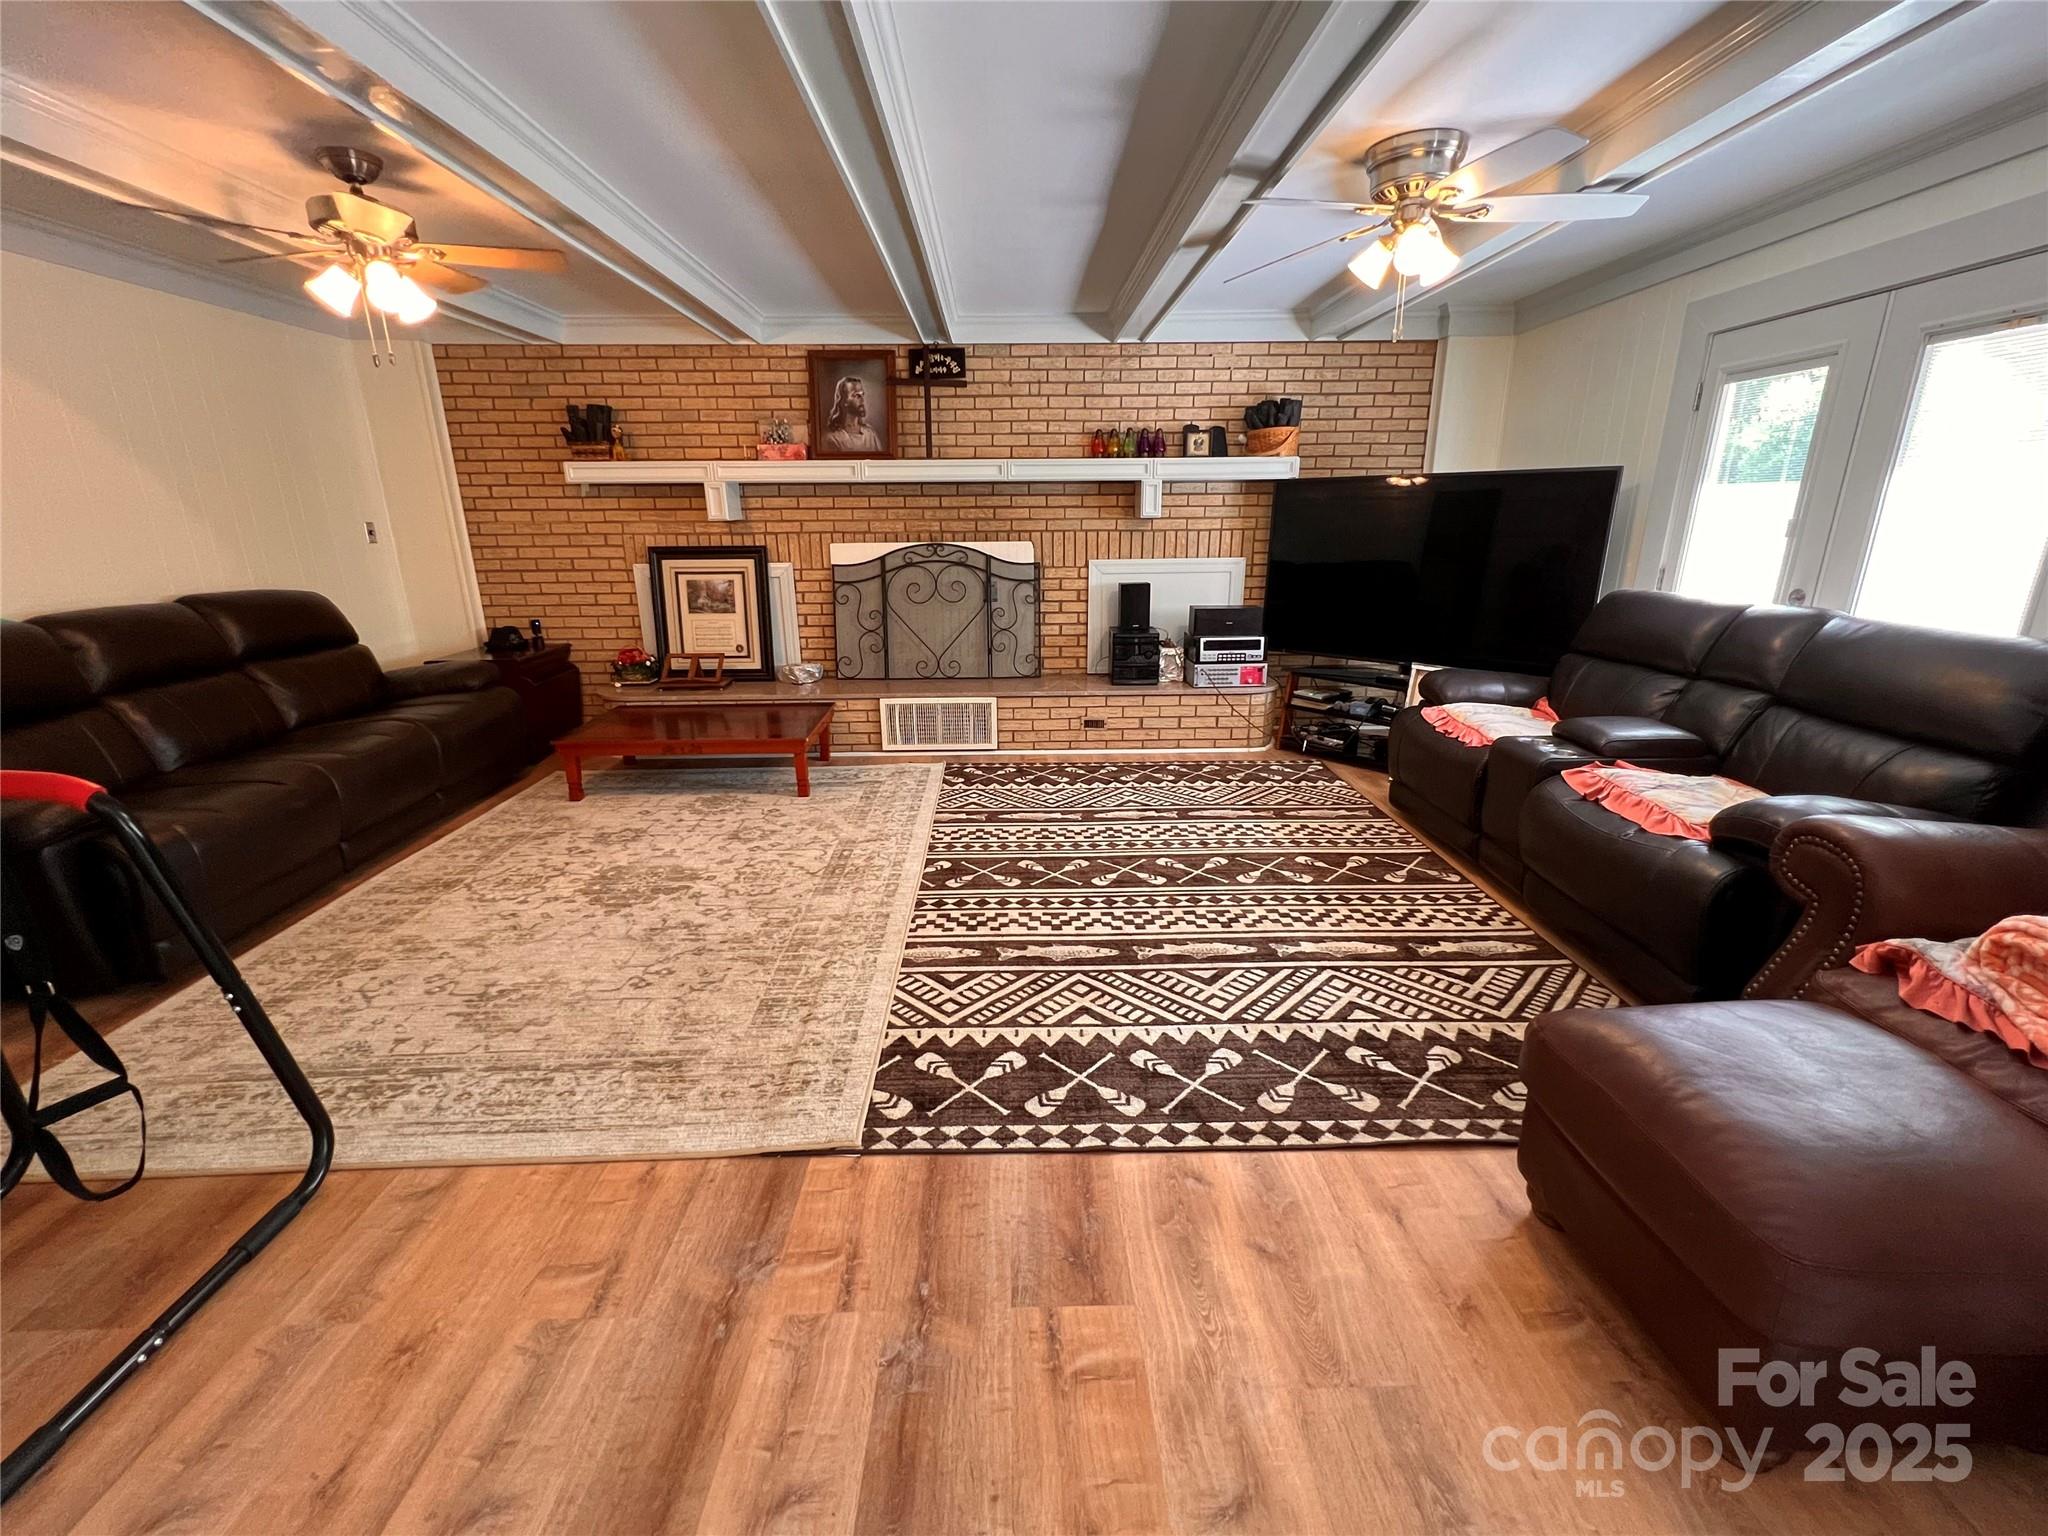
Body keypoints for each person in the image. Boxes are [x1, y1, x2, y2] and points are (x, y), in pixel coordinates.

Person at [822, 375, 884, 453]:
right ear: (844, 401)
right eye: (856, 395)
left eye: (862, 395)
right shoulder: (833, 438)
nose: (862, 400)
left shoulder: (870, 435)